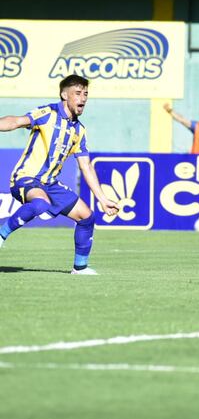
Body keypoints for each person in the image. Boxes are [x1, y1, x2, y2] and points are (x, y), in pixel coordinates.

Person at [0, 74, 119, 275]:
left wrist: (102, 199)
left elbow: (86, 166)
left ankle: (79, 268)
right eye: (78, 93)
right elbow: (16, 122)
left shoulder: (79, 131)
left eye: (86, 94)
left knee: (86, 217)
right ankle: (2, 234)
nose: (83, 98)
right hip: (26, 177)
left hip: (51, 184)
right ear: (65, 95)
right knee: (40, 204)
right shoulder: (47, 113)